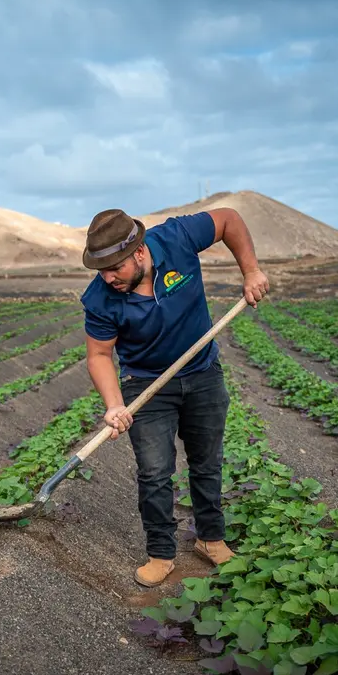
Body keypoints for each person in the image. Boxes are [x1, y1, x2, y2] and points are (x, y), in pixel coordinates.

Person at [78, 207, 269, 587]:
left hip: (202, 373)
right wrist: (114, 404)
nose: (107, 277)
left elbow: (229, 219)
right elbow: (99, 356)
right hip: (145, 384)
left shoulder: (177, 238)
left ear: (139, 252)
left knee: (206, 461)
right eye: (100, 270)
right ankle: (161, 553)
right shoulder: (100, 298)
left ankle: (211, 539)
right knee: (154, 472)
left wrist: (250, 271)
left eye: (114, 267)